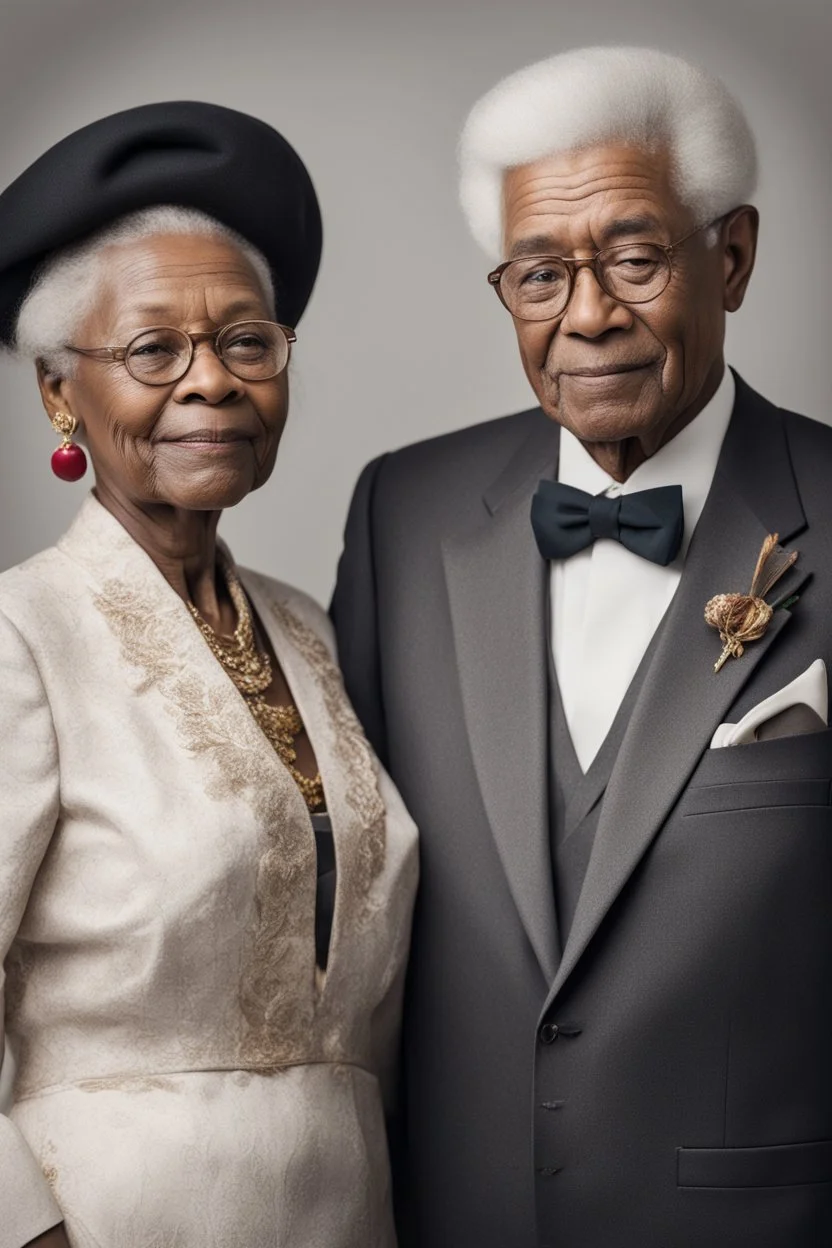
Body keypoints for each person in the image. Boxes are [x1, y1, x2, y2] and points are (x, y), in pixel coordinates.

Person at [332, 45, 832, 1248]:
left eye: (635, 258)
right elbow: (345, 898)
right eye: (539, 274)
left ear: (735, 255)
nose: (587, 314)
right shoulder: (403, 510)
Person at [0, 101, 417, 1248]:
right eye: (151, 350)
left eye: (246, 340)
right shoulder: (21, 635)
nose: (213, 382)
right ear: (57, 392)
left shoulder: (308, 629)